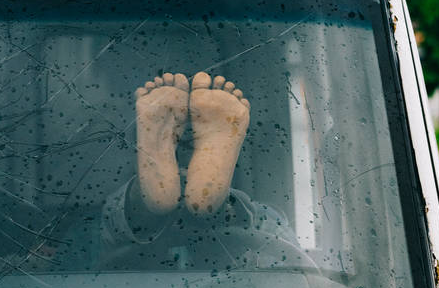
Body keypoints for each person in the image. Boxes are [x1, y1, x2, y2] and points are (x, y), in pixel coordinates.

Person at [100, 71, 311, 271]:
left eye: (191, 147)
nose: (185, 162)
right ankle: (222, 211)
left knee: (114, 222)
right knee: (262, 222)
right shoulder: (269, 224)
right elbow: (297, 285)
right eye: (179, 146)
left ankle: (146, 206)